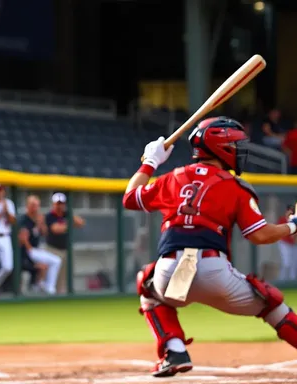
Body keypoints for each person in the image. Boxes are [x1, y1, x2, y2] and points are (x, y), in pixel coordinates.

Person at [124, 117, 297, 378]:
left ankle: (174, 351)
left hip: (169, 272)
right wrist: (293, 225)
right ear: (222, 148)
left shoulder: (173, 177)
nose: (240, 152)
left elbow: (129, 198)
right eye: (236, 146)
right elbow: (260, 235)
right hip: (212, 271)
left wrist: (150, 161)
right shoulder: (235, 186)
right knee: (270, 303)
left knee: (147, 284)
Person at [18, 195, 62, 295]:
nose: (35, 208)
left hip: (35, 250)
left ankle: (49, 288)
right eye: (33, 205)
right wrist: (33, 258)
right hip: (25, 251)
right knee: (43, 265)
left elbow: (44, 233)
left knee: (56, 260)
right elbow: (23, 240)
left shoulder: (38, 218)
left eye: (37, 206)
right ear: (27, 206)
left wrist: (40, 223)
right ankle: (40, 286)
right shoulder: (24, 220)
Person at [43, 192, 85, 294]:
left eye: (61, 203)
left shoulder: (66, 214)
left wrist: (70, 214)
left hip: (65, 249)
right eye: (57, 203)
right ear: (53, 204)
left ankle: (61, 293)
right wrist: (69, 224)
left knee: (64, 275)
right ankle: (51, 293)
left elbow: (80, 223)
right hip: (53, 249)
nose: (59, 206)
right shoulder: (50, 216)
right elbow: (56, 229)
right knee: (53, 274)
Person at [277, 205, 297, 281]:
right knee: (287, 263)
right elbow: (281, 233)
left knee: (294, 263)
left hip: (294, 244)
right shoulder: (282, 220)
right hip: (284, 243)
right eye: (290, 212)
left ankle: (293, 282)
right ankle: (282, 281)